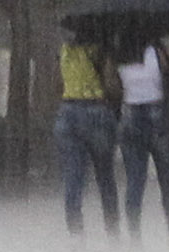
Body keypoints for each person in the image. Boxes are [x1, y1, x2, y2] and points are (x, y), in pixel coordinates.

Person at [53, 28, 124, 239]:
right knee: (105, 176)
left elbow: (58, 84)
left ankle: (76, 233)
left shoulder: (65, 49)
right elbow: (111, 85)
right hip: (97, 111)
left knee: (73, 176)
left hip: (67, 111)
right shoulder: (100, 50)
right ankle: (113, 232)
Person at [116, 36, 169, 242]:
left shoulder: (119, 53)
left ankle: (134, 236)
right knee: (167, 178)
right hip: (158, 115)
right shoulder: (159, 50)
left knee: (135, 180)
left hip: (130, 115)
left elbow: (112, 84)